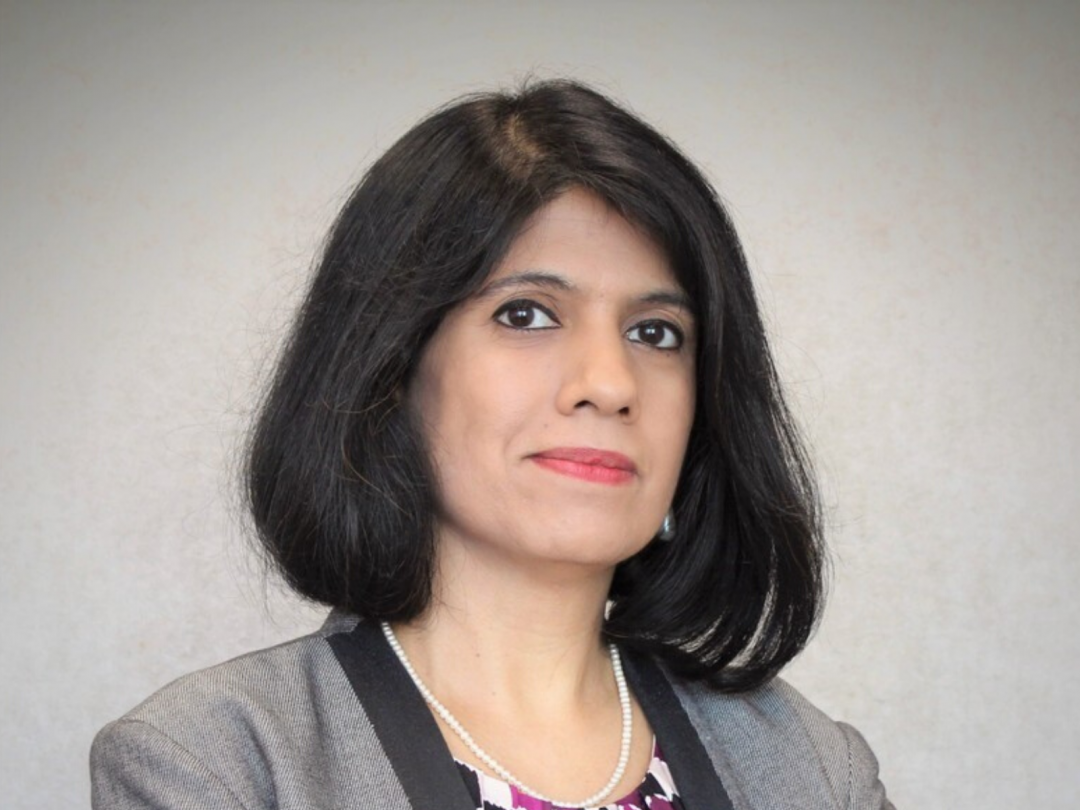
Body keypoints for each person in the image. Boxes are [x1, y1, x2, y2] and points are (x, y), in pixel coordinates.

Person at [90, 80, 893, 810]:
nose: (609, 383)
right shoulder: (215, 766)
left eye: (656, 332)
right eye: (527, 315)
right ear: (392, 366)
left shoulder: (816, 769)